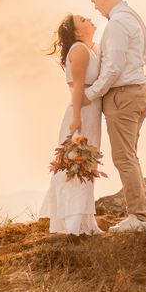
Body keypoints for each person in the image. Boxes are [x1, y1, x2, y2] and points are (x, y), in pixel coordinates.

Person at [83, 0, 146, 233]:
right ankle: (139, 216)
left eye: (94, 2)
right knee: (129, 156)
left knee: (123, 157)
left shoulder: (118, 23)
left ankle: (139, 219)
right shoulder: (132, 17)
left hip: (123, 95)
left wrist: (90, 94)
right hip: (137, 91)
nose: (95, 9)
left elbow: (113, 68)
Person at [38, 13, 104, 235]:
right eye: (83, 20)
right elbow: (78, 86)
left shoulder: (89, 48)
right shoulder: (80, 50)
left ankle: (83, 221)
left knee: (86, 165)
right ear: (77, 32)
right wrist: (76, 118)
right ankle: (73, 223)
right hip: (82, 113)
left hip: (90, 113)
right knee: (77, 164)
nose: (89, 20)